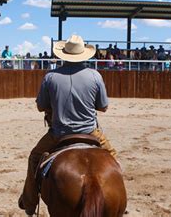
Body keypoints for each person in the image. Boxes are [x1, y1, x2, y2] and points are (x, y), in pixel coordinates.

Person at [18, 35, 117, 215]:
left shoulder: (51, 77)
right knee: (112, 157)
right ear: (84, 54)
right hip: (91, 132)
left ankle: (30, 202)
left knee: (34, 158)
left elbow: (41, 106)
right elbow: (103, 107)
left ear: (64, 55)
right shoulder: (95, 76)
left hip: (58, 133)